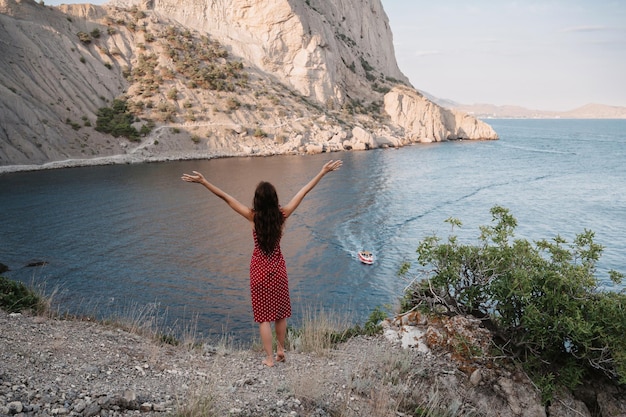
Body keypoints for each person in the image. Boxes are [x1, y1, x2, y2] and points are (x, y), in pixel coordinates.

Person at [181, 160, 343, 367]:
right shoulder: (282, 216)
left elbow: (226, 198)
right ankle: (281, 350)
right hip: (278, 268)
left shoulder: (252, 217)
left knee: (264, 316)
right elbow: (303, 192)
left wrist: (204, 182)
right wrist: (322, 172)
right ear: (274, 198)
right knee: (281, 313)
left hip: (258, 269)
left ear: (257, 200)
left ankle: (268, 358)